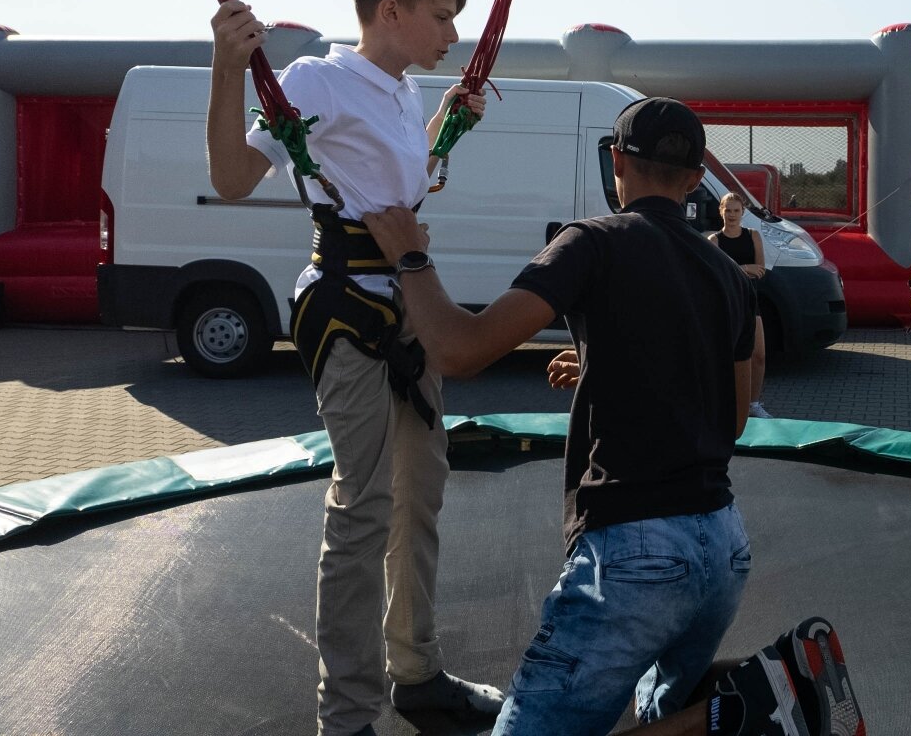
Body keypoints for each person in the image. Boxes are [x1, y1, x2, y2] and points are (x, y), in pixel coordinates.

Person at [360, 97, 865, 736]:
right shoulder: (731, 276)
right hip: (722, 547)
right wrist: (611, 367)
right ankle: (763, 693)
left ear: (618, 162)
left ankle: (745, 708)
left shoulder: (592, 242)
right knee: (657, 705)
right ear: (695, 180)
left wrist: (410, 256)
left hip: (635, 552)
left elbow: (460, 351)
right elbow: (732, 417)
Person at [204, 0, 502, 736]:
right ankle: (345, 717)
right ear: (391, 11)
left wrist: (443, 123)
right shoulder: (315, 81)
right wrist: (228, 68)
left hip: (408, 301)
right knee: (364, 508)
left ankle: (417, 672)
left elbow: (388, 179)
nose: (453, 34)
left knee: (420, 495)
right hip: (346, 308)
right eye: (442, 16)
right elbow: (232, 178)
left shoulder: (402, 91)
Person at [712, 193, 773, 419]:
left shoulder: (753, 235)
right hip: (726, 304)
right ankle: (723, 404)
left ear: (743, 213)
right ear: (721, 211)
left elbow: (760, 269)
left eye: (736, 211)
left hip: (749, 300)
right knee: (726, 357)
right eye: (728, 210)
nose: (732, 215)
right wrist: (745, 268)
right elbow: (717, 273)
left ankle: (753, 404)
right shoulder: (714, 241)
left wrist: (738, 269)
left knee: (759, 355)